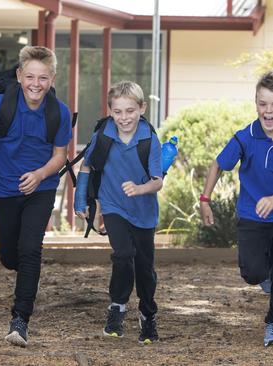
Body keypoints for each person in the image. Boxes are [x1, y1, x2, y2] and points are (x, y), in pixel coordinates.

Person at [0, 46, 72, 347]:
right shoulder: (1, 105)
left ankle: (20, 320)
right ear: (20, 76)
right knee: (11, 256)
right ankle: (25, 274)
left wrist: (40, 175)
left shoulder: (58, 112)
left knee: (30, 249)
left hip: (41, 188)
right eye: (31, 76)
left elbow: (60, 156)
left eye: (43, 78)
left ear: (52, 78)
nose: (36, 84)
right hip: (4, 188)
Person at [199, 72, 273, 347]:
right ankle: (265, 277)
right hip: (252, 216)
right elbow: (218, 164)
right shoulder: (245, 138)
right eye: (263, 104)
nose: (269, 111)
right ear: (256, 103)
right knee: (251, 272)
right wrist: (205, 199)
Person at [74, 80, 163, 345]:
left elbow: (158, 181)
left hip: (144, 211)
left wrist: (140, 188)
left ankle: (148, 314)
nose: (124, 117)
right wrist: (82, 201)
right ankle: (117, 307)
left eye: (130, 111)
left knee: (145, 268)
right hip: (113, 207)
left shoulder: (149, 139)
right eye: (118, 111)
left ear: (141, 108)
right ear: (110, 111)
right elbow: (87, 167)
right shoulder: (103, 136)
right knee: (123, 255)